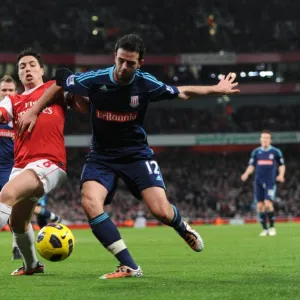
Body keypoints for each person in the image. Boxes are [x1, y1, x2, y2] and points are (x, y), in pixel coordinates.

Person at [18, 34, 240, 279]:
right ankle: (129, 265)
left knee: (161, 211)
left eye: (130, 63)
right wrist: (34, 112)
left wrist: (216, 89)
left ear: (140, 63)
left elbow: (183, 92)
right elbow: (59, 83)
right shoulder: (95, 79)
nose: (124, 67)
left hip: (136, 155)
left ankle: (180, 225)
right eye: (121, 60)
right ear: (115, 57)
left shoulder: (146, 84)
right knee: (90, 202)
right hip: (101, 156)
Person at [0, 48, 72, 275]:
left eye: (32, 64)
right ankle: (31, 265)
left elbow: (73, 91)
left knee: (5, 195)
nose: (27, 69)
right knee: (18, 221)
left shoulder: (55, 88)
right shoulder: (13, 100)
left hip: (50, 163)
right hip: (21, 165)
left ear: (41, 69)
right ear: (19, 75)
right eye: (22, 67)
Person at [241, 130, 285, 236]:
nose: (265, 140)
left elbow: (282, 165)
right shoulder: (256, 152)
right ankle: (265, 229)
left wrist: (281, 175)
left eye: (267, 138)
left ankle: (272, 228)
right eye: (263, 138)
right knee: (260, 206)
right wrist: (246, 174)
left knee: (268, 204)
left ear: (270, 140)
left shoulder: (275, 152)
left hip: (270, 182)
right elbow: (252, 165)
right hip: (258, 182)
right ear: (260, 140)